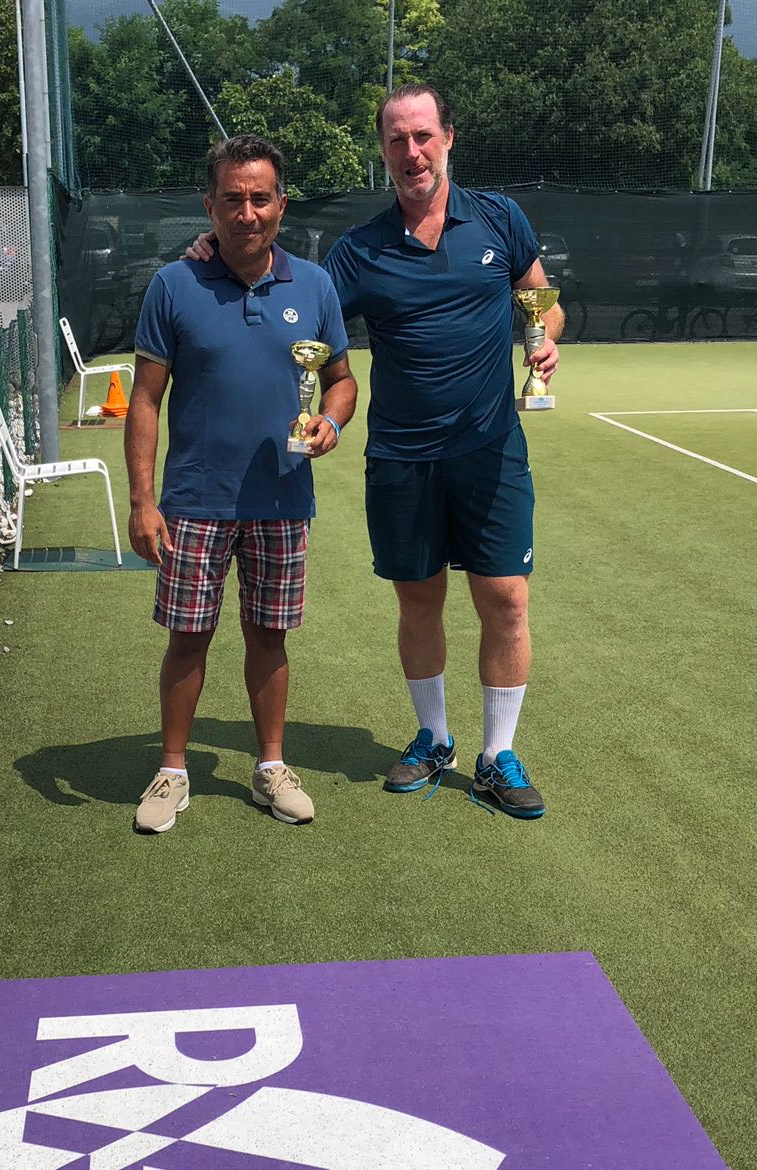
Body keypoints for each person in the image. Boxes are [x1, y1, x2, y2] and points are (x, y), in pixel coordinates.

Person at [189, 86, 563, 819]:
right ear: (384, 150)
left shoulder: (499, 219)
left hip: (491, 452)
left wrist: (545, 338)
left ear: (449, 137)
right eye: (398, 140)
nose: (412, 152)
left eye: (423, 136)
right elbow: (297, 304)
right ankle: (433, 737)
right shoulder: (357, 251)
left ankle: (497, 754)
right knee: (418, 602)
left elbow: (541, 299)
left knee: (506, 602)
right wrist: (217, 248)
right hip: (400, 458)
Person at [126, 133, 357, 835]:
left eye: (261, 198)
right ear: (211, 204)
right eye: (233, 199)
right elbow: (143, 400)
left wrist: (332, 426)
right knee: (188, 638)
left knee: (269, 637)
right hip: (195, 500)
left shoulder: (315, 286)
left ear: (281, 205)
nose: (247, 212)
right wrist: (142, 501)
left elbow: (342, 383)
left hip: (283, 500)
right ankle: (172, 771)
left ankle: (270, 768)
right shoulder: (174, 284)